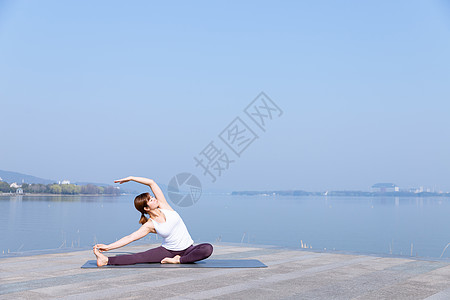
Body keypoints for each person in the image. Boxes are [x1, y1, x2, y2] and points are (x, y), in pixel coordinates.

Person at [93, 176, 213, 266]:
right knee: (138, 257)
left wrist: (131, 178)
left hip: (188, 249)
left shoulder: (164, 206)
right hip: (168, 251)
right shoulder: (150, 225)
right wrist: (108, 247)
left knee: (207, 249)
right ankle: (106, 260)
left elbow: (151, 183)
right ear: (146, 208)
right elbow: (130, 238)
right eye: (150, 200)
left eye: (152, 197)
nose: (154, 199)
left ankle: (179, 260)